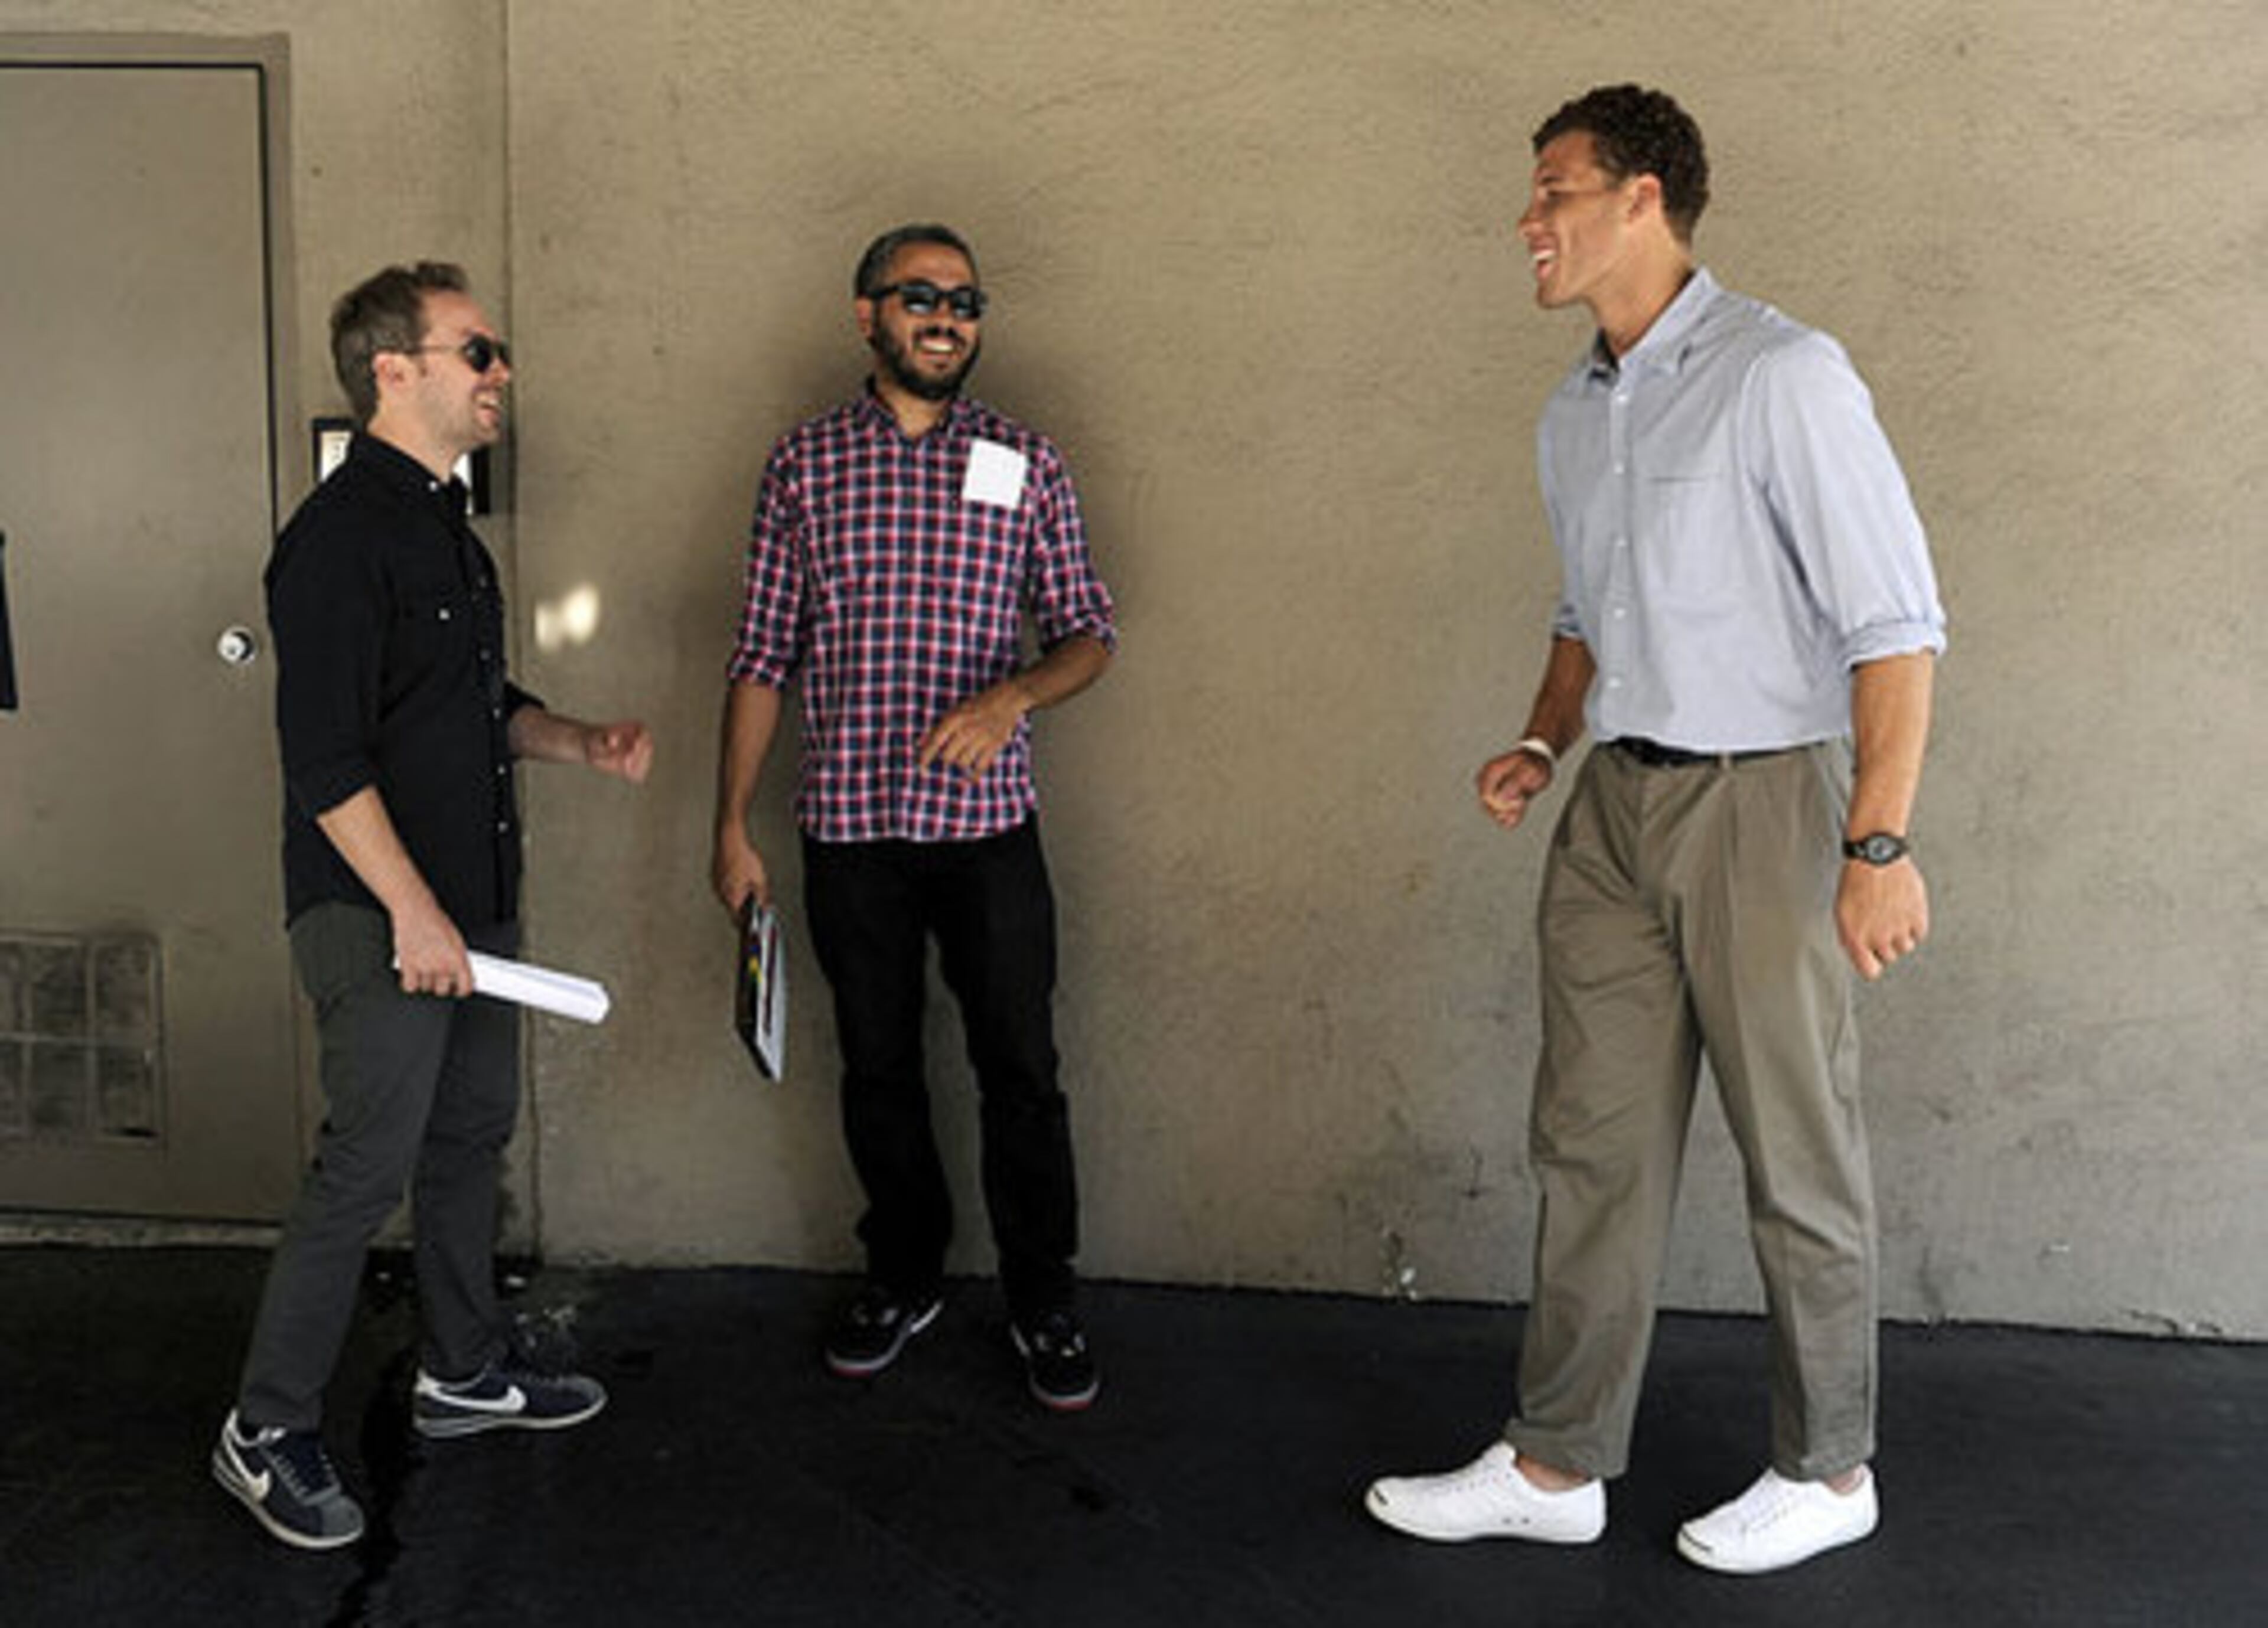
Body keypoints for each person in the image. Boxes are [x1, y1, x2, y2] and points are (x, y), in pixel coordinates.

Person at [1366, 86, 1946, 1574]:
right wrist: (1541, 739)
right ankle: (1557, 1461)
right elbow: (1586, 609)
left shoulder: (1782, 375)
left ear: (1643, 200)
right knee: (1590, 1145)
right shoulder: (1577, 408)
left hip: (1763, 802)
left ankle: (1829, 1468)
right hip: (1613, 808)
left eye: (1554, 191)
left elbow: (1895, 625)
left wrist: (1876, 845)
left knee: (1797, 1150)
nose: (1527, 221)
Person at [213, 262, 653, 1551]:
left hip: (467, 913)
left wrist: (578, 739)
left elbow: (469, 706)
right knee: (366, 1166)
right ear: (393, 370)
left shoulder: (444, 525)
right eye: (479, 350)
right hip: (382, 920)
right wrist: (411, 914)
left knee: (468, 1138)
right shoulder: (340, 539)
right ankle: (265, 1427)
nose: (500, 370)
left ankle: (462, 1369)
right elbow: (325, 762)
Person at [713, 223, 1117, 1412]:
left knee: (1021, 1068)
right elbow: (761, 656)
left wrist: (1013, 697)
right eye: (921, 296)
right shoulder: (804, 464)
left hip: (989, 828)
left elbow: (1089, 631)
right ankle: (903, 1273)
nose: (947, 317)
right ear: (869, 315)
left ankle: (1044, 1297)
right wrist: (729, 824)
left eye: (966, 300)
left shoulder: (1026, 460)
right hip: (851, 827)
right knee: (878, 1067)